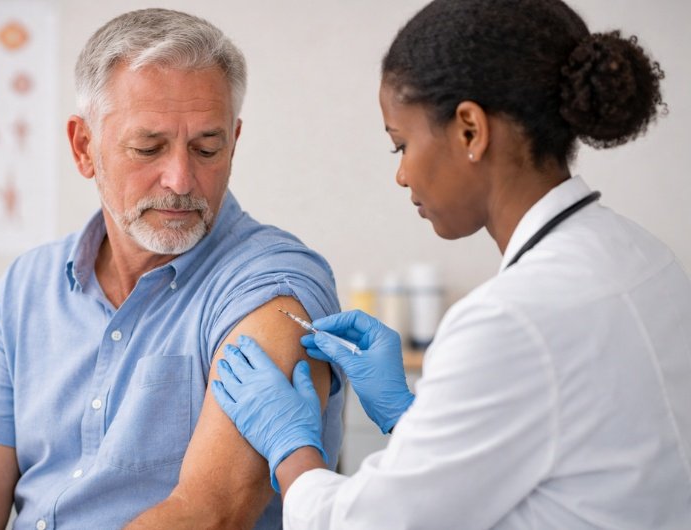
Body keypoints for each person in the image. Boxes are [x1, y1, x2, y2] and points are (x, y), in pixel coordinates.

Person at [212, 0, 691, 528]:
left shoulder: (513, 322)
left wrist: (290, 446)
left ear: (469, 130)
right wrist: (407, 415)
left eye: (401, 145)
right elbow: (541, 450)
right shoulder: (645, 256)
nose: (401, 176)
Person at [0, 8, 344, 530]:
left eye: (208, 147)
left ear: (234, 140)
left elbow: (209, 513)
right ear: (84, 147)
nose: (181, 179)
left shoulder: (270, 287)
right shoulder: (29, 285)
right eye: (148, 147)